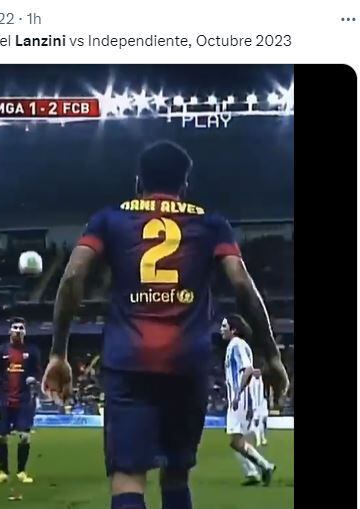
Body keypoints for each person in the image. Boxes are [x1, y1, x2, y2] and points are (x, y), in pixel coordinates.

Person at [42, 140, 289, 509]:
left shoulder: (109, 219)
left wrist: (58, 353)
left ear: (138, 182)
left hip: (128, 363)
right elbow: (242, 285)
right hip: (187, 364)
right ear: (184, 185)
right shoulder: (211, 223)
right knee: (176, 475)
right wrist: (271, 356)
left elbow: (73, 277)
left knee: (128, 478)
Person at [221, 315, 277, 486]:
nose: (221, 329)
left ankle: (265, 466)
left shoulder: (236, 344)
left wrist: (238, 394)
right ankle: (252, 472)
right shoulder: (237, 345)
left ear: (234, 329)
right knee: (237, 439)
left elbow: (248, 369)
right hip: (240, 398)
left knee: (236, 441)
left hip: (240, 399)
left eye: (224, 326)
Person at [0, 317, 41, 484]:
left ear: (25, 332)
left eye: (21, 328)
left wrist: (33, 378)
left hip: (24, 400)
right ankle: (3, 472)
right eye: (15, 327)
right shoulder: (0, 351)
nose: (18, 330)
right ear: (10, 331)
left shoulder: (32, 352)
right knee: (0, 437)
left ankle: (21, 472)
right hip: (3, 400)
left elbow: (37, 371)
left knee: (24, 436)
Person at [249, 366, 269, 446]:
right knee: (257, 423)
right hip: (256, 406)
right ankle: (258, 440)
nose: (258, 373)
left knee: (262, 422)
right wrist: (254, 407)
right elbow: (252, 395)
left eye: (259, 372)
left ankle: (263, 438)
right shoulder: (252, 383)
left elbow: (264, 393)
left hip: (262, 405)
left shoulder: (262, 381)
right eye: (256, 372)